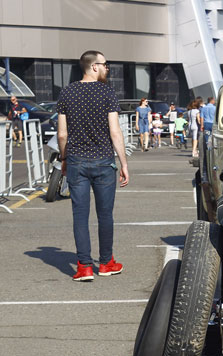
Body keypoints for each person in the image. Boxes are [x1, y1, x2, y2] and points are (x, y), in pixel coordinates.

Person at [56, 50, 129, 282]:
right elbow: (115, 132)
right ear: (94, 67)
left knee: (80, 215)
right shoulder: (106, 92)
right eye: (105, 65)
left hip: (76, 160)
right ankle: (106, 263)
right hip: (104, 161)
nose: (107, 68)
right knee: (105, 215)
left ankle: (84, 267)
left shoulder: (66, 92)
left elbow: (62, 134)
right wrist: (124, 163)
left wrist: (65, 159)